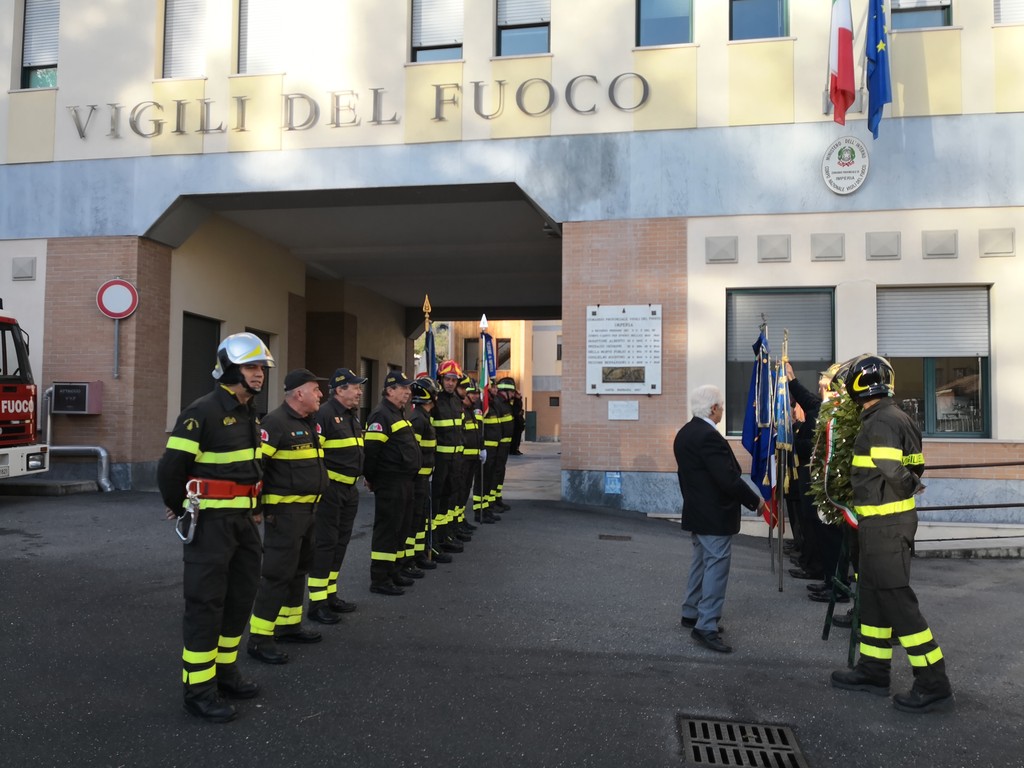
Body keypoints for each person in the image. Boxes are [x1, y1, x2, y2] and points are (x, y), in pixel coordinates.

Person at [158, 332, 273, 723]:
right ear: (229, 369)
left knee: (240, 597)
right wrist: (180, 507)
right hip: (209, 525)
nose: (259, 374)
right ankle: (198, 690)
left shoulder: (249, 412)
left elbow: (250, 469)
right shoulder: (201, 411)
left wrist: (255, 507)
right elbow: (171, 469)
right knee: (205, 605)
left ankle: (226, 673)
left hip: (243, 524)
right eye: (251, 367)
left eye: (261, 368)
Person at [830, 356, 954, 713]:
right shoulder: (896, 416)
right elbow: (914, 465)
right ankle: (873, 671)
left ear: (858, 385)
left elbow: (892, 469)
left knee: (898, 603)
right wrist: (910, 483)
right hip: (880, 526)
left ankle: (933, 682)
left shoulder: (881, 420)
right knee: (872, 599)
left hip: (886, 526)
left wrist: (910, 486)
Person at [674, 384, 767, 654]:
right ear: (713, 408)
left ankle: (691, 612)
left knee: (700, 563)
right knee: (716, 568)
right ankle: (706, 625)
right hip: (714, 515)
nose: (723, 411)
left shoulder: (685, 432)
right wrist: (756, 502)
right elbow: (728, 479)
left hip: (697, 511)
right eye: (722, 407)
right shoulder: (708, 436)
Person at [247, 369, 329, 664]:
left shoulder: (307, 422)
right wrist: (256, 508)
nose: (320, 395)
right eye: (315, 389)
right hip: (284, 515)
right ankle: (260, 639)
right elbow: (257, 467)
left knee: (297, 570)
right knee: (276, 575)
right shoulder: (275, 423)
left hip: (308, 512)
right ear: (299, 393)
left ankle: (289, 625)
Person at [307, 367, 367, 625]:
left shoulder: (351, 416)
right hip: (331, 491)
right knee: (326, 544)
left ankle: (330, 595)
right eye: (355, 387)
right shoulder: (324, 414)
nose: (360, 392)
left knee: (340, 543)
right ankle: (317, 603)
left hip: (349, 491)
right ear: (340, 390)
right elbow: (314, 456)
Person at [363, 370, 422, 595]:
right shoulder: (381, 415)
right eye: (403, 388)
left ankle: (394, 570)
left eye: (408, 388)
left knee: (400, 528)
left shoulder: (398, 413)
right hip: (390, 481)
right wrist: (371, 478)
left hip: (405, 481)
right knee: (387, 530)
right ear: (390, 390)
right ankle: (380, 578)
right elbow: (371, 452)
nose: (408, 392)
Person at [408, 376, 445, 568]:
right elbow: (414, 452)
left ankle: (420, 554)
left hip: (424, 476)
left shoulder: (423, 416)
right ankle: (414, 557)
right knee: (415, 519)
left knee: (421, 518)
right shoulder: (418, 419)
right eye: (435, 394)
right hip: (418, 478)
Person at [431, 360, 467, 553]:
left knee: (449, 498)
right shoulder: (435, 402)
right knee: (436, 500)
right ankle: (434, 541)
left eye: (454, 380)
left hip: (455, 460)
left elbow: (460, 431)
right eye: (447, 379)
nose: (451, 383)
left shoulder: (456, 401)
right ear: (441, 379)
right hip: (439, 461)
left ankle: (445, 535)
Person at [510, 388, 526, 455]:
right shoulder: (514, 401)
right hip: (516, 423)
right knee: (515, 438)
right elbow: (514, 411)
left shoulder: (519, 401)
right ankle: (514, 449)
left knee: (518, 437)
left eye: (520, 394)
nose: (519, 395)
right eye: (518, 394)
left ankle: (516, 448)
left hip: (519, 422)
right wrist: (519, 413)